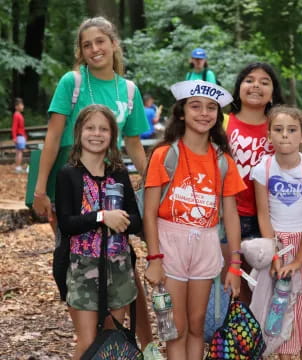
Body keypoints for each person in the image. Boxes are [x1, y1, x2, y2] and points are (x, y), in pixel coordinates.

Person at [30, 16, 157, 356]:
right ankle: (90, 336)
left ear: (113, 44)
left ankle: (129, 343)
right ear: (81, 51)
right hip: (73, 188)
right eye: (87, 45)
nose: (94, 49)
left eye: (100, 41)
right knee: (73, 259)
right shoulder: (72, 82)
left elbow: (132, 143)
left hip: (112, 183)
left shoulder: (127, 90)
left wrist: (152, 180)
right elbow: (54, 136)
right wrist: (41, 191)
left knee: (122, 262)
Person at [143, 80, 245, 359]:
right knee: (175, 326)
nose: (204, 113)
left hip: (206, 244)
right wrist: (154, 258)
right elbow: (149, 212)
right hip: (170, 243)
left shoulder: (223, 160)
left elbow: (232, 214)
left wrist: (235, 265)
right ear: (181, 112)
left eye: (211, 108)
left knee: (198, 323)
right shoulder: (165, 155)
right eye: (196, 106)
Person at [55, 105, 142, 359]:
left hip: (118, 266)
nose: (96, 134)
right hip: (82, 267)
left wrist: (122, 219)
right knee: (88, 341)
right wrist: (103, 217)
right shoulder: (68, 175)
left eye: (104, 129)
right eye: (90, 128)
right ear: (79, 132)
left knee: (112, 339)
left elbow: (136, 221)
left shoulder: (119, 174)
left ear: (112, 136)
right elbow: (66, 223)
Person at [252, 105, 302, 359]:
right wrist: (276, 256)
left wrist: (299, 260)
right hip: (277, 243)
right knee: (279, 306)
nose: (285, 135)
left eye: (292, 130)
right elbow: (263, 214)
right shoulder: (263, 169)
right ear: (269, 135)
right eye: (278, 130)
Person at [225, 62, 285, 302]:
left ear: (273, 92)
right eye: (249, 80)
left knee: (260, 290)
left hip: (268, 217)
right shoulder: (222, 123)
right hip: (226, 215)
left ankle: (257, 337)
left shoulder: (279, 126)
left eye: (264, 81)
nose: (256, 86)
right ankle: (230, 337)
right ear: (239, 87)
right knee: (230, 285)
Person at [12, 97, 27, 173]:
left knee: (19, 151)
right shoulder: (16, 115)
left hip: (21, 136)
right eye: (21, 105)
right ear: (16, 106)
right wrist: (14, 137)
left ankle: (18, 166)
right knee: (20, 152)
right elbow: (14, 127)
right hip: (19, 136)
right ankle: (18, 167)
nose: (22, 106)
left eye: (22, 105)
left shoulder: (19, 115)